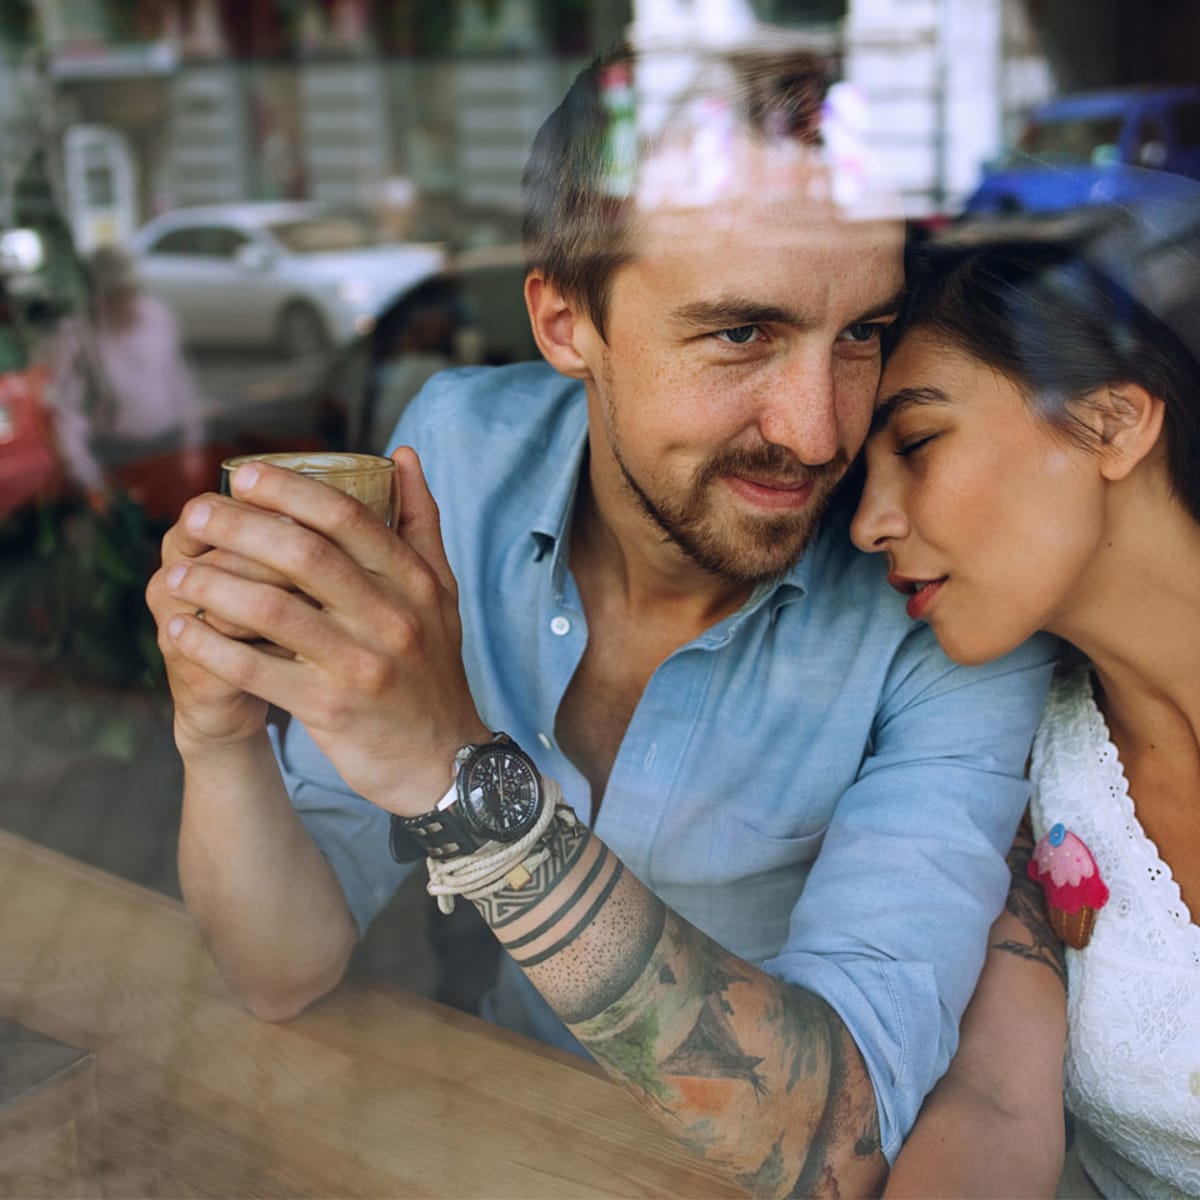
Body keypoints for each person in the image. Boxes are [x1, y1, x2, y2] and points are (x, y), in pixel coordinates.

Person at [145, 40, 1055, 1197]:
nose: (821, 433)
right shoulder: (453, 460)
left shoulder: (942, 591)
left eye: (862, 334)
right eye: (742, 334)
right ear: (565, 320)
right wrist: (217, 740)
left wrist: (456, 776)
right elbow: (283, 968)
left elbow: (838, 1131)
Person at [852, 191, 1200, 1198]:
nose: (869, 524)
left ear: (1112, 418)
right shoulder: (1020, 760)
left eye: (916, 444)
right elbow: (995, 1099)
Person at [46, 244, 206, 513]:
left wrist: (193, 446)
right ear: (97, 298)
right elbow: (69, 416)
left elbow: (179, 382)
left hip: (169, 446)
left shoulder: (157, 318)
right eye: (114, 295)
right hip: (118, 457)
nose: (125, 303)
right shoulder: (77, 340)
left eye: (129, 292)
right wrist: (91, 482)